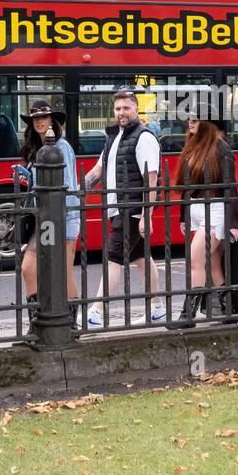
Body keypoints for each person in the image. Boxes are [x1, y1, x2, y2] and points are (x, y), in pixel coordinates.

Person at [82, 90, 166, 326]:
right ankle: (156, 307)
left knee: (113, 258)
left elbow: (152, 179)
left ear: (136, 109)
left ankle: (97, 311)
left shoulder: (144, 137)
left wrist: (146, 215)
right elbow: (98, 170)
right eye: (118, 108)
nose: (121, 113)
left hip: (132, 209)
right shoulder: (113, 137)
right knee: (141, 258)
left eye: (126, 108)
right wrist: (77, 190)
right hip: (117, 207)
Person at [170, 118, 238, 327]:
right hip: (197, 208)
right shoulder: (195, 145)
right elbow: (187, 184)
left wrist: (232, 223)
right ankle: (229, 311)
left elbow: (230, 187)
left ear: (207, 123)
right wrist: (185, 215)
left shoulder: (221, 148)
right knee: (212, 266)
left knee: (196, 260)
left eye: (194, 120)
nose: (189, 124)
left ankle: (187, 316)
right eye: (188, 120)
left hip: (216, 211)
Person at [15, 101, 79, 334]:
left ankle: (71, 325)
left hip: (65, 216)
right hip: (42, 218)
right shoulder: (35, 149)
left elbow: (69, 186)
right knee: (28, 268)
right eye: (36, 118)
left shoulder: (62, 147)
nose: (40, 121)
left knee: (63, 273)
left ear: (52, 120)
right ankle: (36, 321)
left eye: (45, 117)